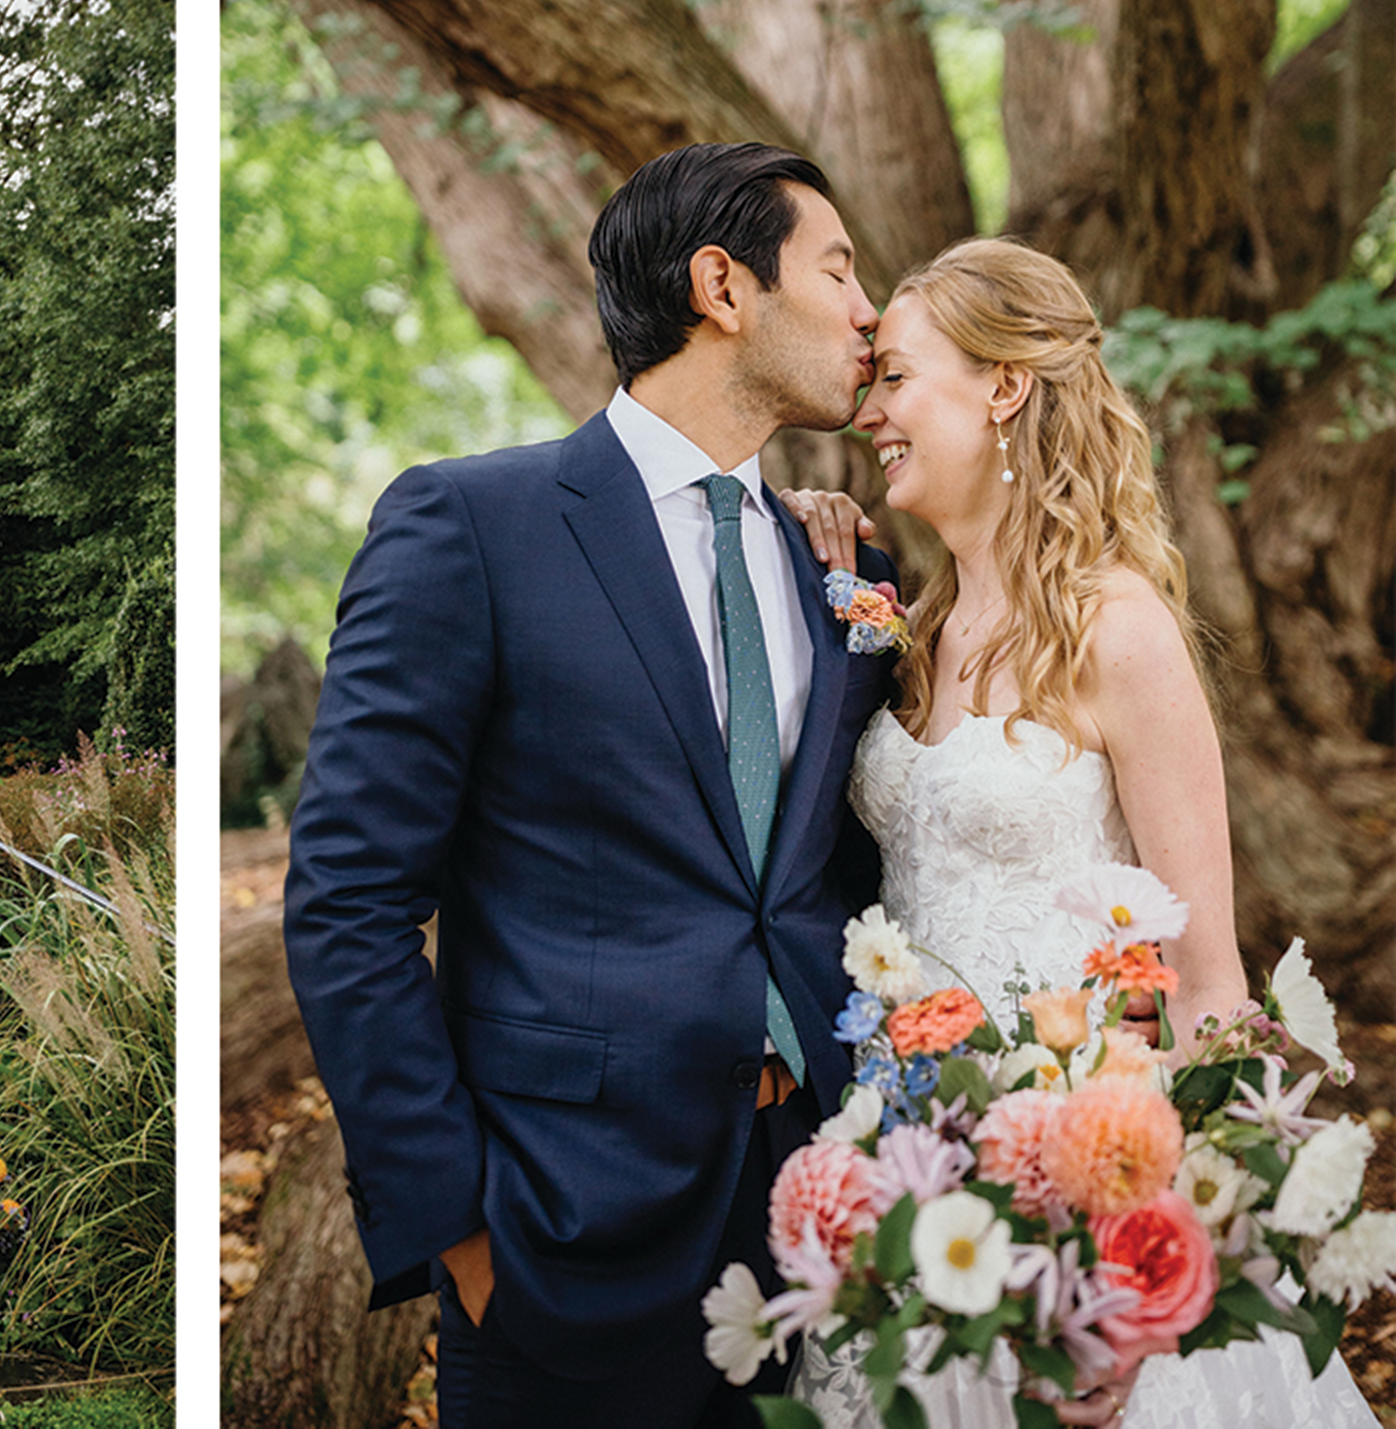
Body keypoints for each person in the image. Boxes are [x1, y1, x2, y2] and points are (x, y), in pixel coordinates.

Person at [283, 142, 901, 1427]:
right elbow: (347, 901)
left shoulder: (832, 561)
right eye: (839, 268)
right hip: (560, 1231)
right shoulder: (469, 527)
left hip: (827, 1222)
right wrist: (461, 1233)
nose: (869, 309)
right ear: (723, 285)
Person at [780, 238, 1374, 1428]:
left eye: (897, 375)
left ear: (1005, 384)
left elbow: (1208, 981)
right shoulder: (913, 627)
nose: (870, 409)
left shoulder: (1120, 628)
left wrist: (1153, 1264)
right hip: (921, 1201)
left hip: (1091, 1208)